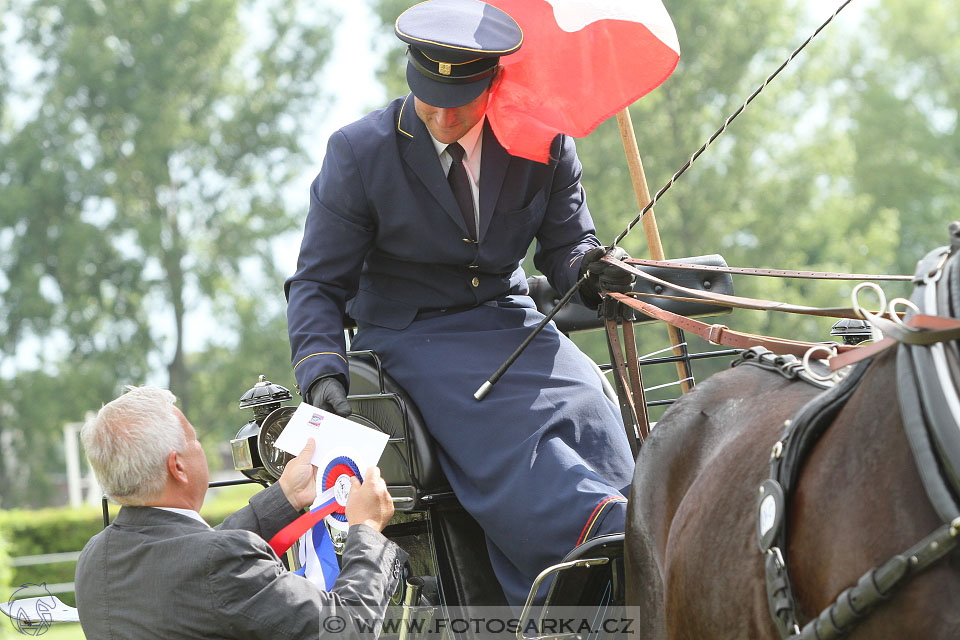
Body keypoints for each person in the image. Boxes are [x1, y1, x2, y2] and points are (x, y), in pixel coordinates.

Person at [285, 0, 636, 606]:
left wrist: (594, 270)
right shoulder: (358, 153)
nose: (445, 115)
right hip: (410, 339)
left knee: (590, 402)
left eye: (462, 102)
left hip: (513, 321)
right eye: (429, 99)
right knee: (511, 432)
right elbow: (317, 283)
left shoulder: (544, 143)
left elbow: (568, 247)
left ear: (494, 84)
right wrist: (320, 370)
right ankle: (597, 542)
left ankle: (640, 528)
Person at [75, 386, 405, 639]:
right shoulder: (216, 562)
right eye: (196, 440)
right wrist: (368, 531)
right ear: (178, 467)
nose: (200, 447)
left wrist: (287, 496)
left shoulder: (94, 556)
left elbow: (192, 562)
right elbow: (348, 628)